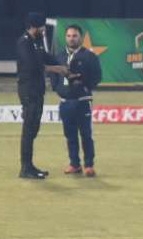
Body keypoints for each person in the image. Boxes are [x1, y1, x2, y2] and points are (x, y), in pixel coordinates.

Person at [15, 11, 69, 179]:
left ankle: (29, 166)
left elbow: (45, 57)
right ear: (33, 26)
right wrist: (57, 69)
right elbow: (33, 65)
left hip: (37, 90)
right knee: (29, 128)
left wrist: (64, 63)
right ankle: (25, 168)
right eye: (41, 26)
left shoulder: (36, 42)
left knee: (34, 128)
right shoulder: (24, 43)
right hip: (28, 90)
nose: (43, 29)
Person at [51, 23, 103, 175]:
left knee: (86, 134)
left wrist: (85, 86)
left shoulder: (89, 56)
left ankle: (89, 165)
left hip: (82, 101)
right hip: (65, 102)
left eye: (74, 36)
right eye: (68, 36)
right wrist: (57, 88)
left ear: (80, 37)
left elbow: (97, 76)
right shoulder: (59, 56)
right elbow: (53, 74)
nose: (71, 39)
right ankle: (74, 164)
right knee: (70, 134)